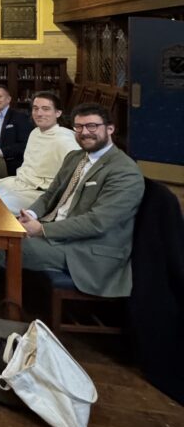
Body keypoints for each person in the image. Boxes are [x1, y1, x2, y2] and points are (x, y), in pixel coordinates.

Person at [15, 104, 145, 298]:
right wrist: (30, 215)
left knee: (2, 245)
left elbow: (97, 222)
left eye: (92, 126)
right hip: (56, 232)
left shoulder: (124, 171)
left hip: (87, 252)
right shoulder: (75, 157)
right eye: (79, 127)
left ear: (110, 129)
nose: (85, 133)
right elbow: (50, 195)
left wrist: (41, 230)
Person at [0, 91, 80, 213]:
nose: (39, 113)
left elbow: (77, 174)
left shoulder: (65, 140)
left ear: (58, 113)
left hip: (39, 192)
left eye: (45, 109)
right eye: (35, 109)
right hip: (19, 182)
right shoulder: (35, 132)